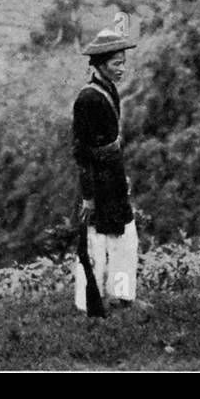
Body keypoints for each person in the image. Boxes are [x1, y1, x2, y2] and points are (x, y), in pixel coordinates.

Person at [72, 28, 142, 314]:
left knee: (123, 237)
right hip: (98, 181)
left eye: (123, 61)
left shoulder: (108, 90)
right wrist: (88, 196)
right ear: (100, 65)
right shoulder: (88, 98)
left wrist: (119, 175)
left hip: (111, 177)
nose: (122, 68)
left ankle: (121, 297)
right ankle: (88, 301)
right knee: (95, 242)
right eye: (116, 63)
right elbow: (82, 152)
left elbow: (111, 146)